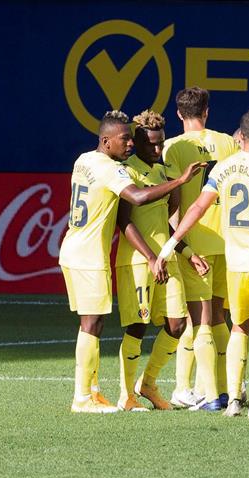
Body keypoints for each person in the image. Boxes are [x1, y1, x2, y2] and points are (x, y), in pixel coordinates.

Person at [58, 110, 203, 413]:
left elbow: (162, 217)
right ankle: (85, 396)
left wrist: (185, 252)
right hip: (93, 256)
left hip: (80, 250)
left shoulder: (83, 160)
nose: (129, 145)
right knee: (94, 323)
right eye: (125, 140)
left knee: (171, 324)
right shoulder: (117, 170)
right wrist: (181, 182)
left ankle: (100, 391)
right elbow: (134, 202)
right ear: (106, 140)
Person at [158, 108, 249, 418]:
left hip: (237, 262)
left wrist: (172, 242)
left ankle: (232, 400)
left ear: (241, 137)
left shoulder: (224, 167)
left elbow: (198, 208)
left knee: (238, 328)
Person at [115, 109, 209, 411]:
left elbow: (164, 223)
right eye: (151, 145)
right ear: (137, 143)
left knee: (177, 324)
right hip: (139, 260)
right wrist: (151, 256)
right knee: (137, 327)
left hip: (163, 258)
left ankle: (149, 383)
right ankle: (126, 394)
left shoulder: (159, 170)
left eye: (160, 144)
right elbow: (124, 222)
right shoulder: (127, 171)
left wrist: (186, 252)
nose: (157, 150)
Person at [164, 87, 239, 411]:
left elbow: (173, 200)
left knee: (201, 321)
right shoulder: (227, 142)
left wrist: (176, 243)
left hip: (195, 240)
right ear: (206, 111)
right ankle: (225, 387)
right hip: (228, 240)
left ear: (179, 114)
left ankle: (204, 393)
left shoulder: (172, 147)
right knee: (220, 317)